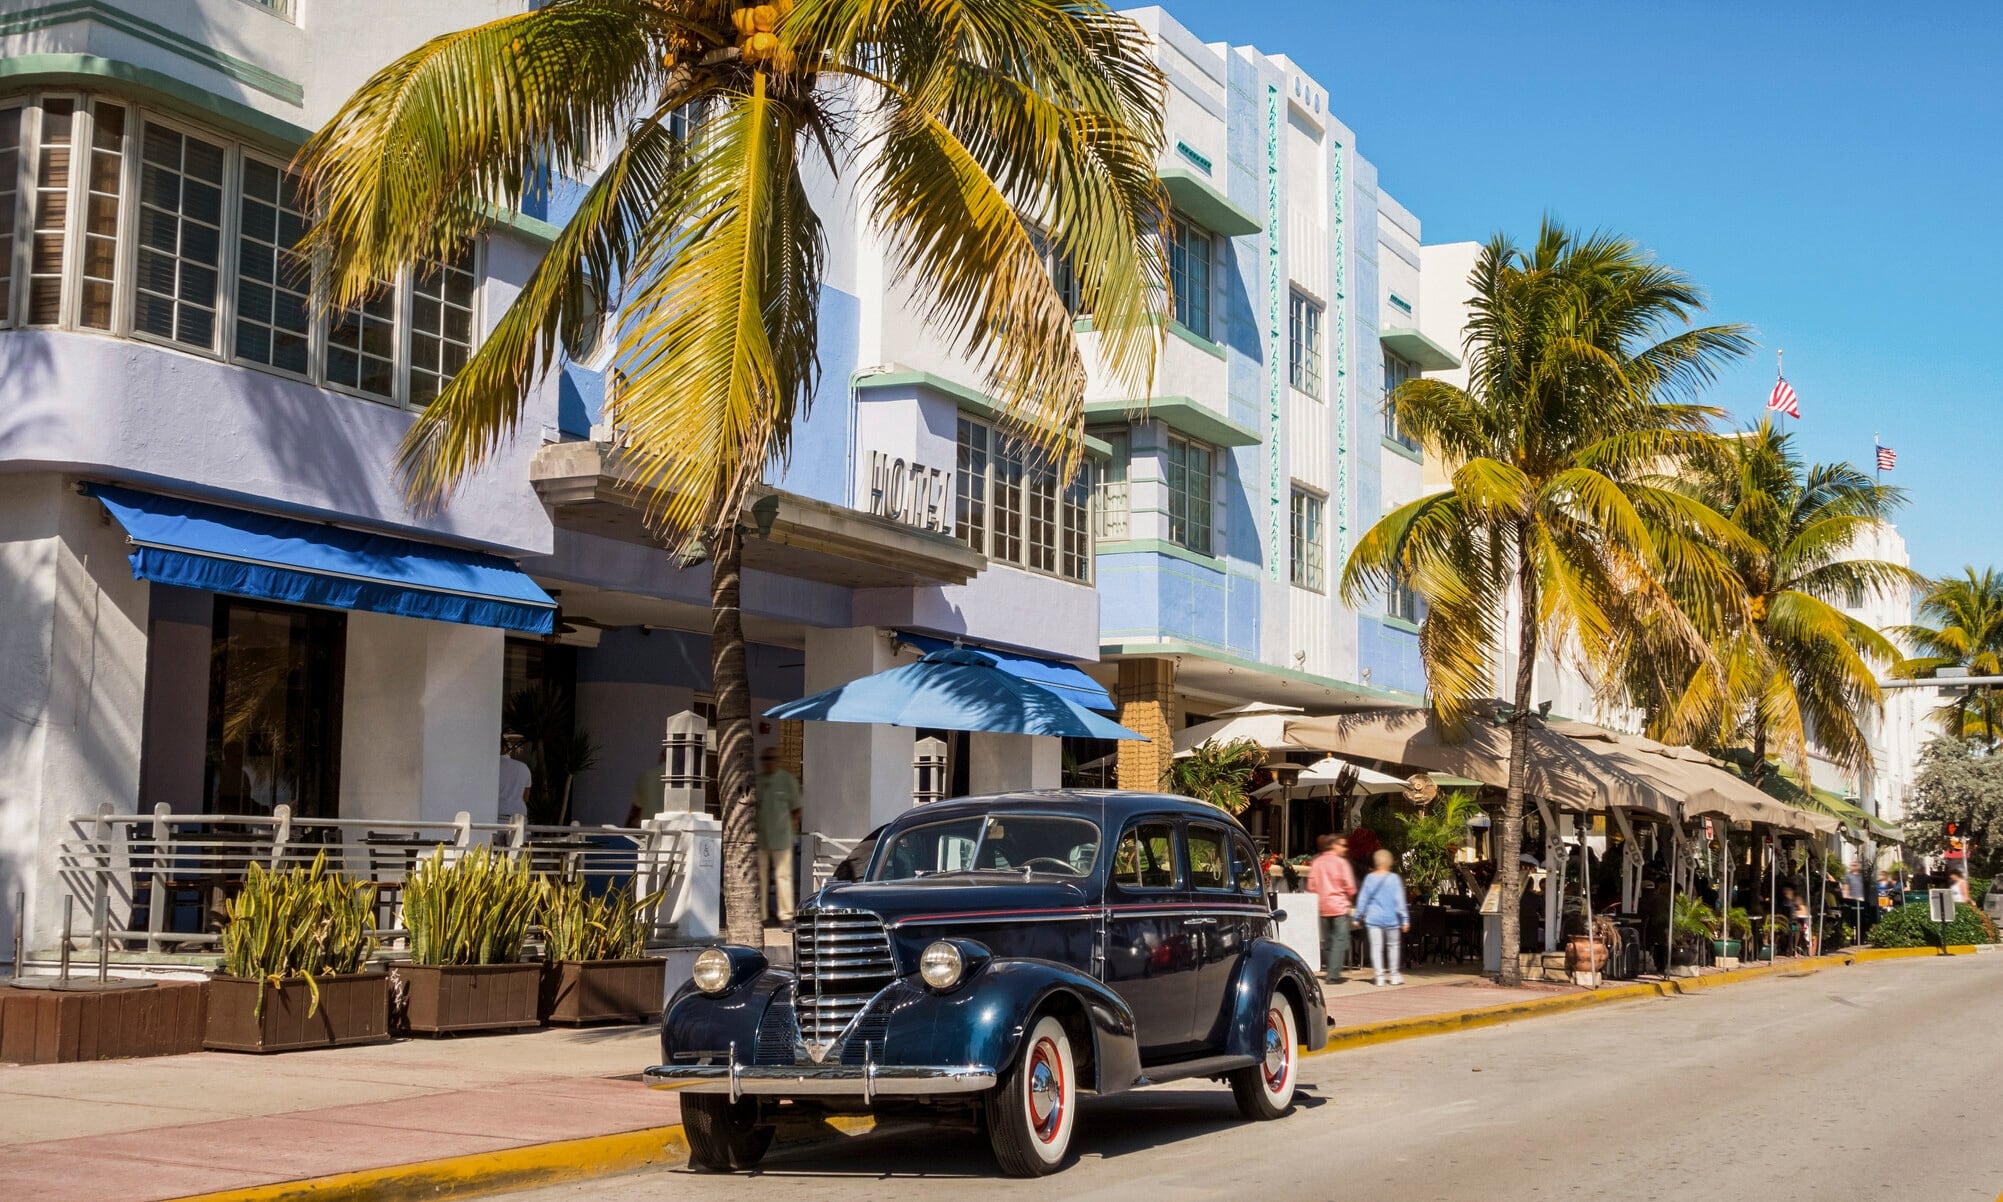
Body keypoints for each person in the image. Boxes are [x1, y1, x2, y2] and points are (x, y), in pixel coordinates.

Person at [755, 747, 803, 927]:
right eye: (765, 758)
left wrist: (787, 826)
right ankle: (761, 915)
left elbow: (797, 809)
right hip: (761, 837)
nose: (768, 761)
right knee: (760, 877)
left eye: (771, 758)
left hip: (782, 837)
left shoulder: (787, 780)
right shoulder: (758, 781)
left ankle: (785, 915)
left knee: (784, 876)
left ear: (778, 760)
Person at [1305, 833, 1358, 983]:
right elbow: (1351, 887)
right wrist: (1349, 896)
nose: (1345, 848)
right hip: (1339, 907)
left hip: (1322, 907)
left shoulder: (1317, 862)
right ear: (1334, 845)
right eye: (1342, 845)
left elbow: (1311, 886)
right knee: (1339, 941)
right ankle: (1333, 975)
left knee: (1328, 942)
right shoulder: (1342, 863)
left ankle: (1330, 969)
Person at [1354, 848, 1410, 987]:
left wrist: (1357, 917)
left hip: (1374, 918)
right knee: (1393, 947)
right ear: (1389, 862)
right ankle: (1394, 975)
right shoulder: (1394, 879)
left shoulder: (1369, 878)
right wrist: (1405, 919)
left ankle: (1379, 976)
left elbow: (1363, 900)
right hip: (1392, 919)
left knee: (1376, 947)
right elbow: (1400, 901)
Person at [627, 745, 667, 827]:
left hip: (647, 827)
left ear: (661, 757)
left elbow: (636, 807)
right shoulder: (683, 779)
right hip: (671, 828)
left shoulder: (646, 775)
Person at [497, 735, 532, 822]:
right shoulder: (523, 767)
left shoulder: (492, 767)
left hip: (498, 814)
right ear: (506, 748)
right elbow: (526, 797)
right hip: (519, 815)